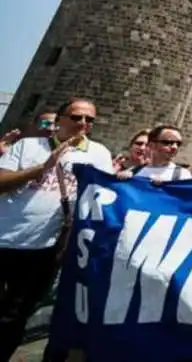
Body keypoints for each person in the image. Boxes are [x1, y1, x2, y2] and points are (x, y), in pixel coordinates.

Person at [0, 98, 113, 362]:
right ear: (60, 119)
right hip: (4, 239)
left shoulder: (98, 154)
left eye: (89, 120)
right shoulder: (28, 145)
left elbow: (106, 196)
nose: (83, 124)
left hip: (45, 248)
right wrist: (41, 168)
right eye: (76, 117)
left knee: (15, 315)